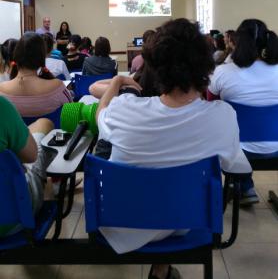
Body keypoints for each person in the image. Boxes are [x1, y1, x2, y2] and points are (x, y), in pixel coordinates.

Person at [95, 18, 251, 278]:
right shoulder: (222, 116)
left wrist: (115, 84)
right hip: (187, 221)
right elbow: (235, 167)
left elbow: (101, 115)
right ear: (205, 66)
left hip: (124, 220)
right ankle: (162, 268)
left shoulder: (124, 109)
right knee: (175, 198)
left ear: (154, 66)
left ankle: (161, 268)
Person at [208, 19, 278, 205]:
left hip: (237, 151)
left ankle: (243, 186)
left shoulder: (223, 72)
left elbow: (210, 105)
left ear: (236, 42)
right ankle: (244, 186)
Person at [0, 95, 54, 237]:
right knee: (44, 124)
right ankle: (46, 191)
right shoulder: (2, 106)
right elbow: (31, 156)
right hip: (11, 220)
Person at [0, 32, 72, 117]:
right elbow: (71, 112)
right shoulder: (57, 86)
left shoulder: (1, 90)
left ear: (16, 56)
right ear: (42, 57)